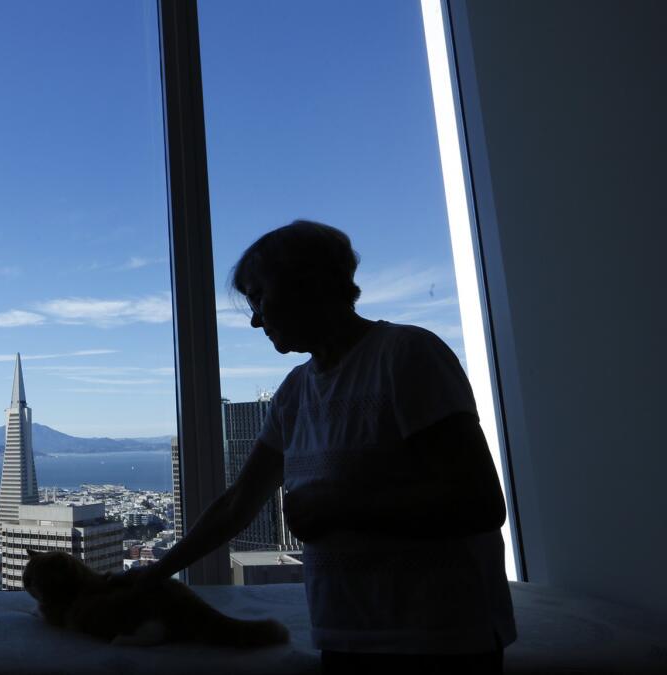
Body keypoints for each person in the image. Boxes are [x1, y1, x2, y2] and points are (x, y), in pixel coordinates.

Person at [127, 221, 516, 674]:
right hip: (346, 634)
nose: (254, 318)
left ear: (305, 283)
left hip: (438, 638)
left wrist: (340, 507)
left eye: (257, 296)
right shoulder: (294, 393)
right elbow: (237, 504)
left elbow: (480, 501)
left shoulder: (407, 356)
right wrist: (153, 575)